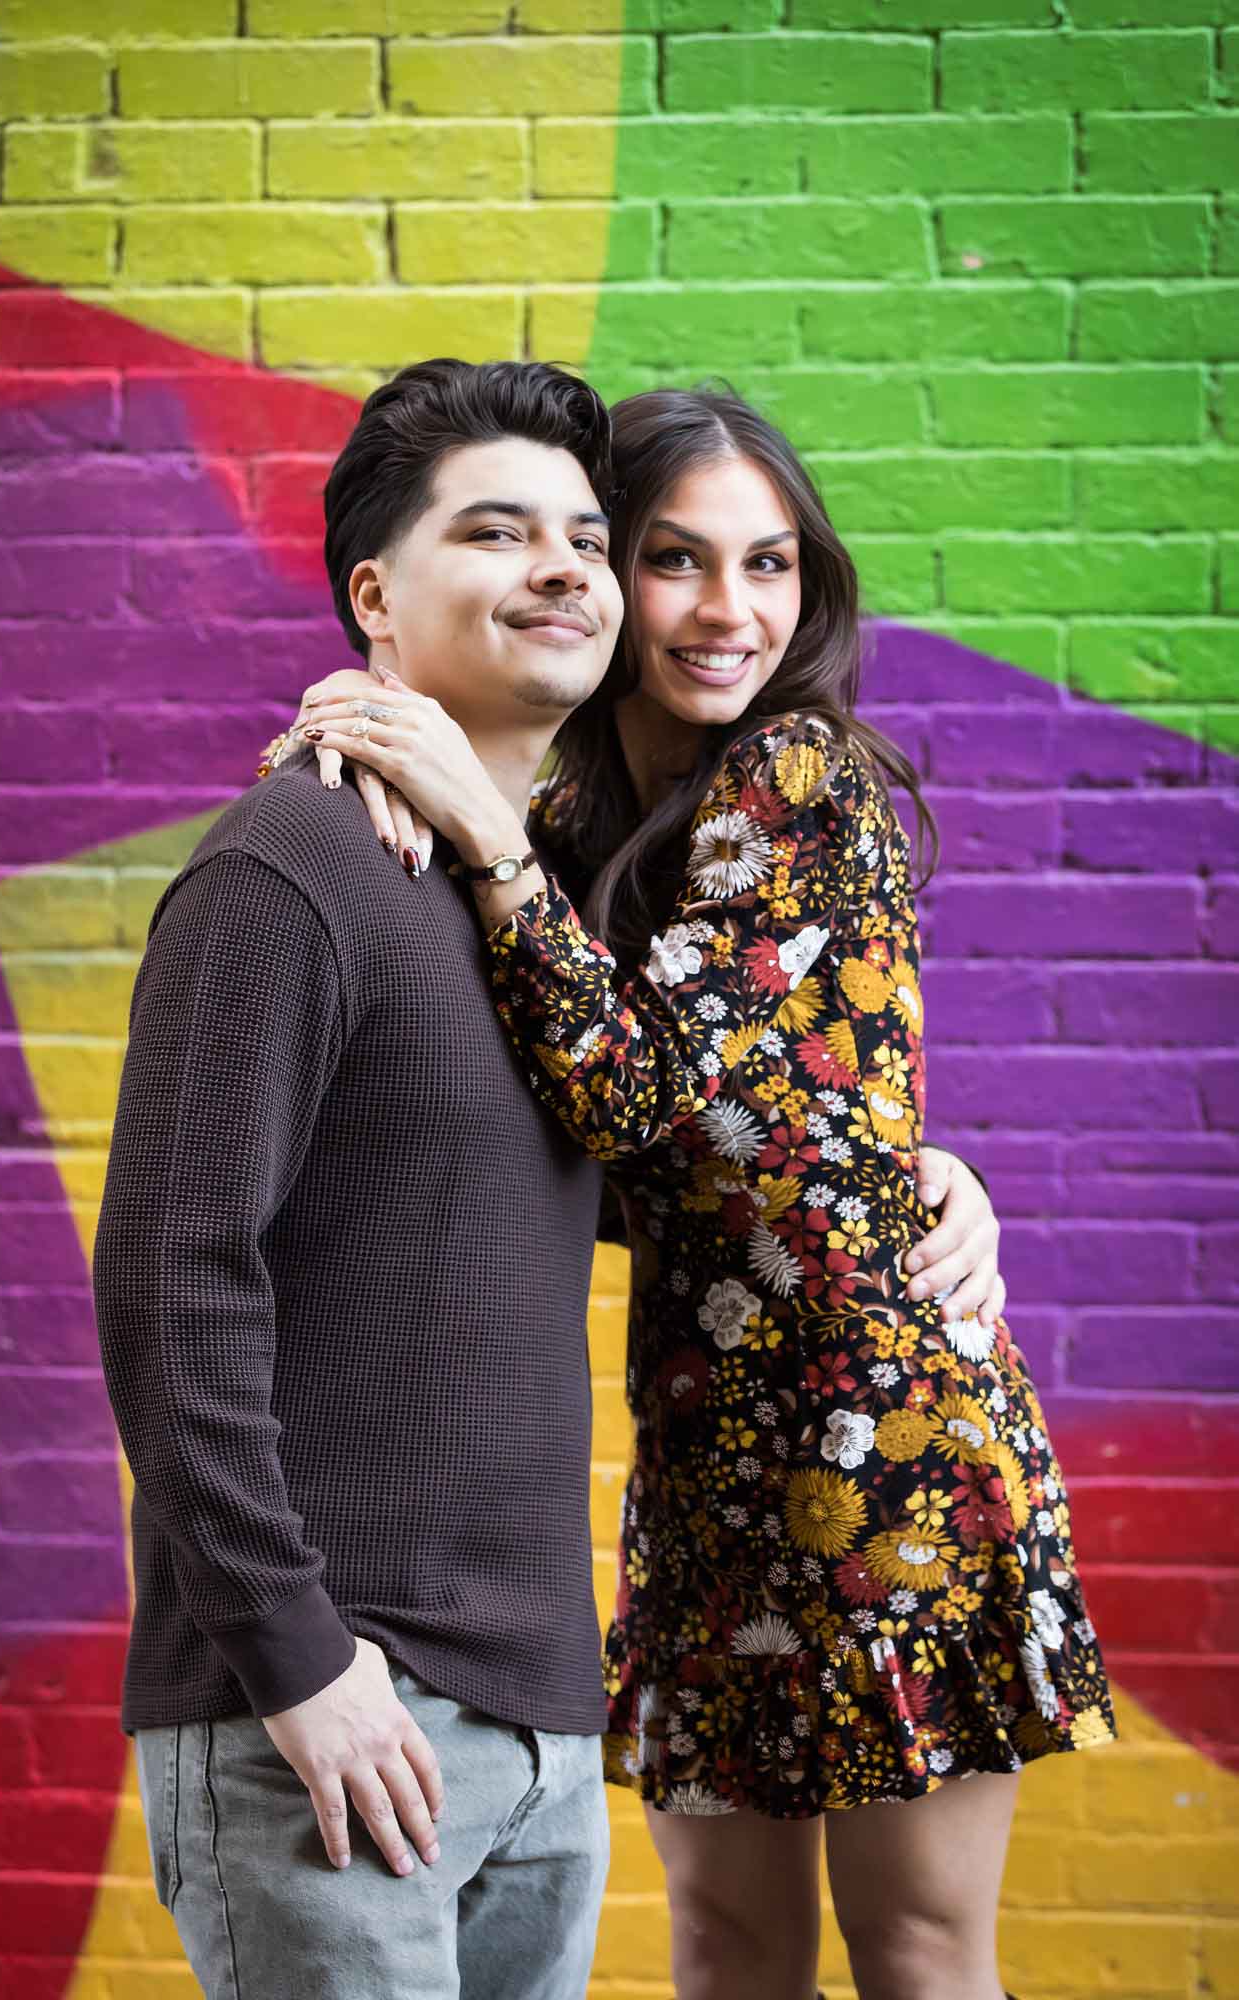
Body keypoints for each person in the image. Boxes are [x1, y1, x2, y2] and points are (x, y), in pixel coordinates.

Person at [286, 385, 1114, 2000]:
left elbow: (646, 1097)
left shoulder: (794, 781)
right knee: (726, 1947)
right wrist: (360, 713)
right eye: (673, 559)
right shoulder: (577, 812)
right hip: (708, 1456)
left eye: (771, 565)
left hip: (888, 1453)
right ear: (607, 572)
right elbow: (599, 1158)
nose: (728, 613)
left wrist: (487, 847)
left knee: (921, 1952)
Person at [94, 360, 631, 2000]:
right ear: (374, 604)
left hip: (538, 1725)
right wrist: (298, 1662)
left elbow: (659, 1188)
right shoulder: (296, 867)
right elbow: (173, 1274)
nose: (562, 565)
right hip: (333, 1714)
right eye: (496, 528)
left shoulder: (541, 917)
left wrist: (930, 1179)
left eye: (588, 536)